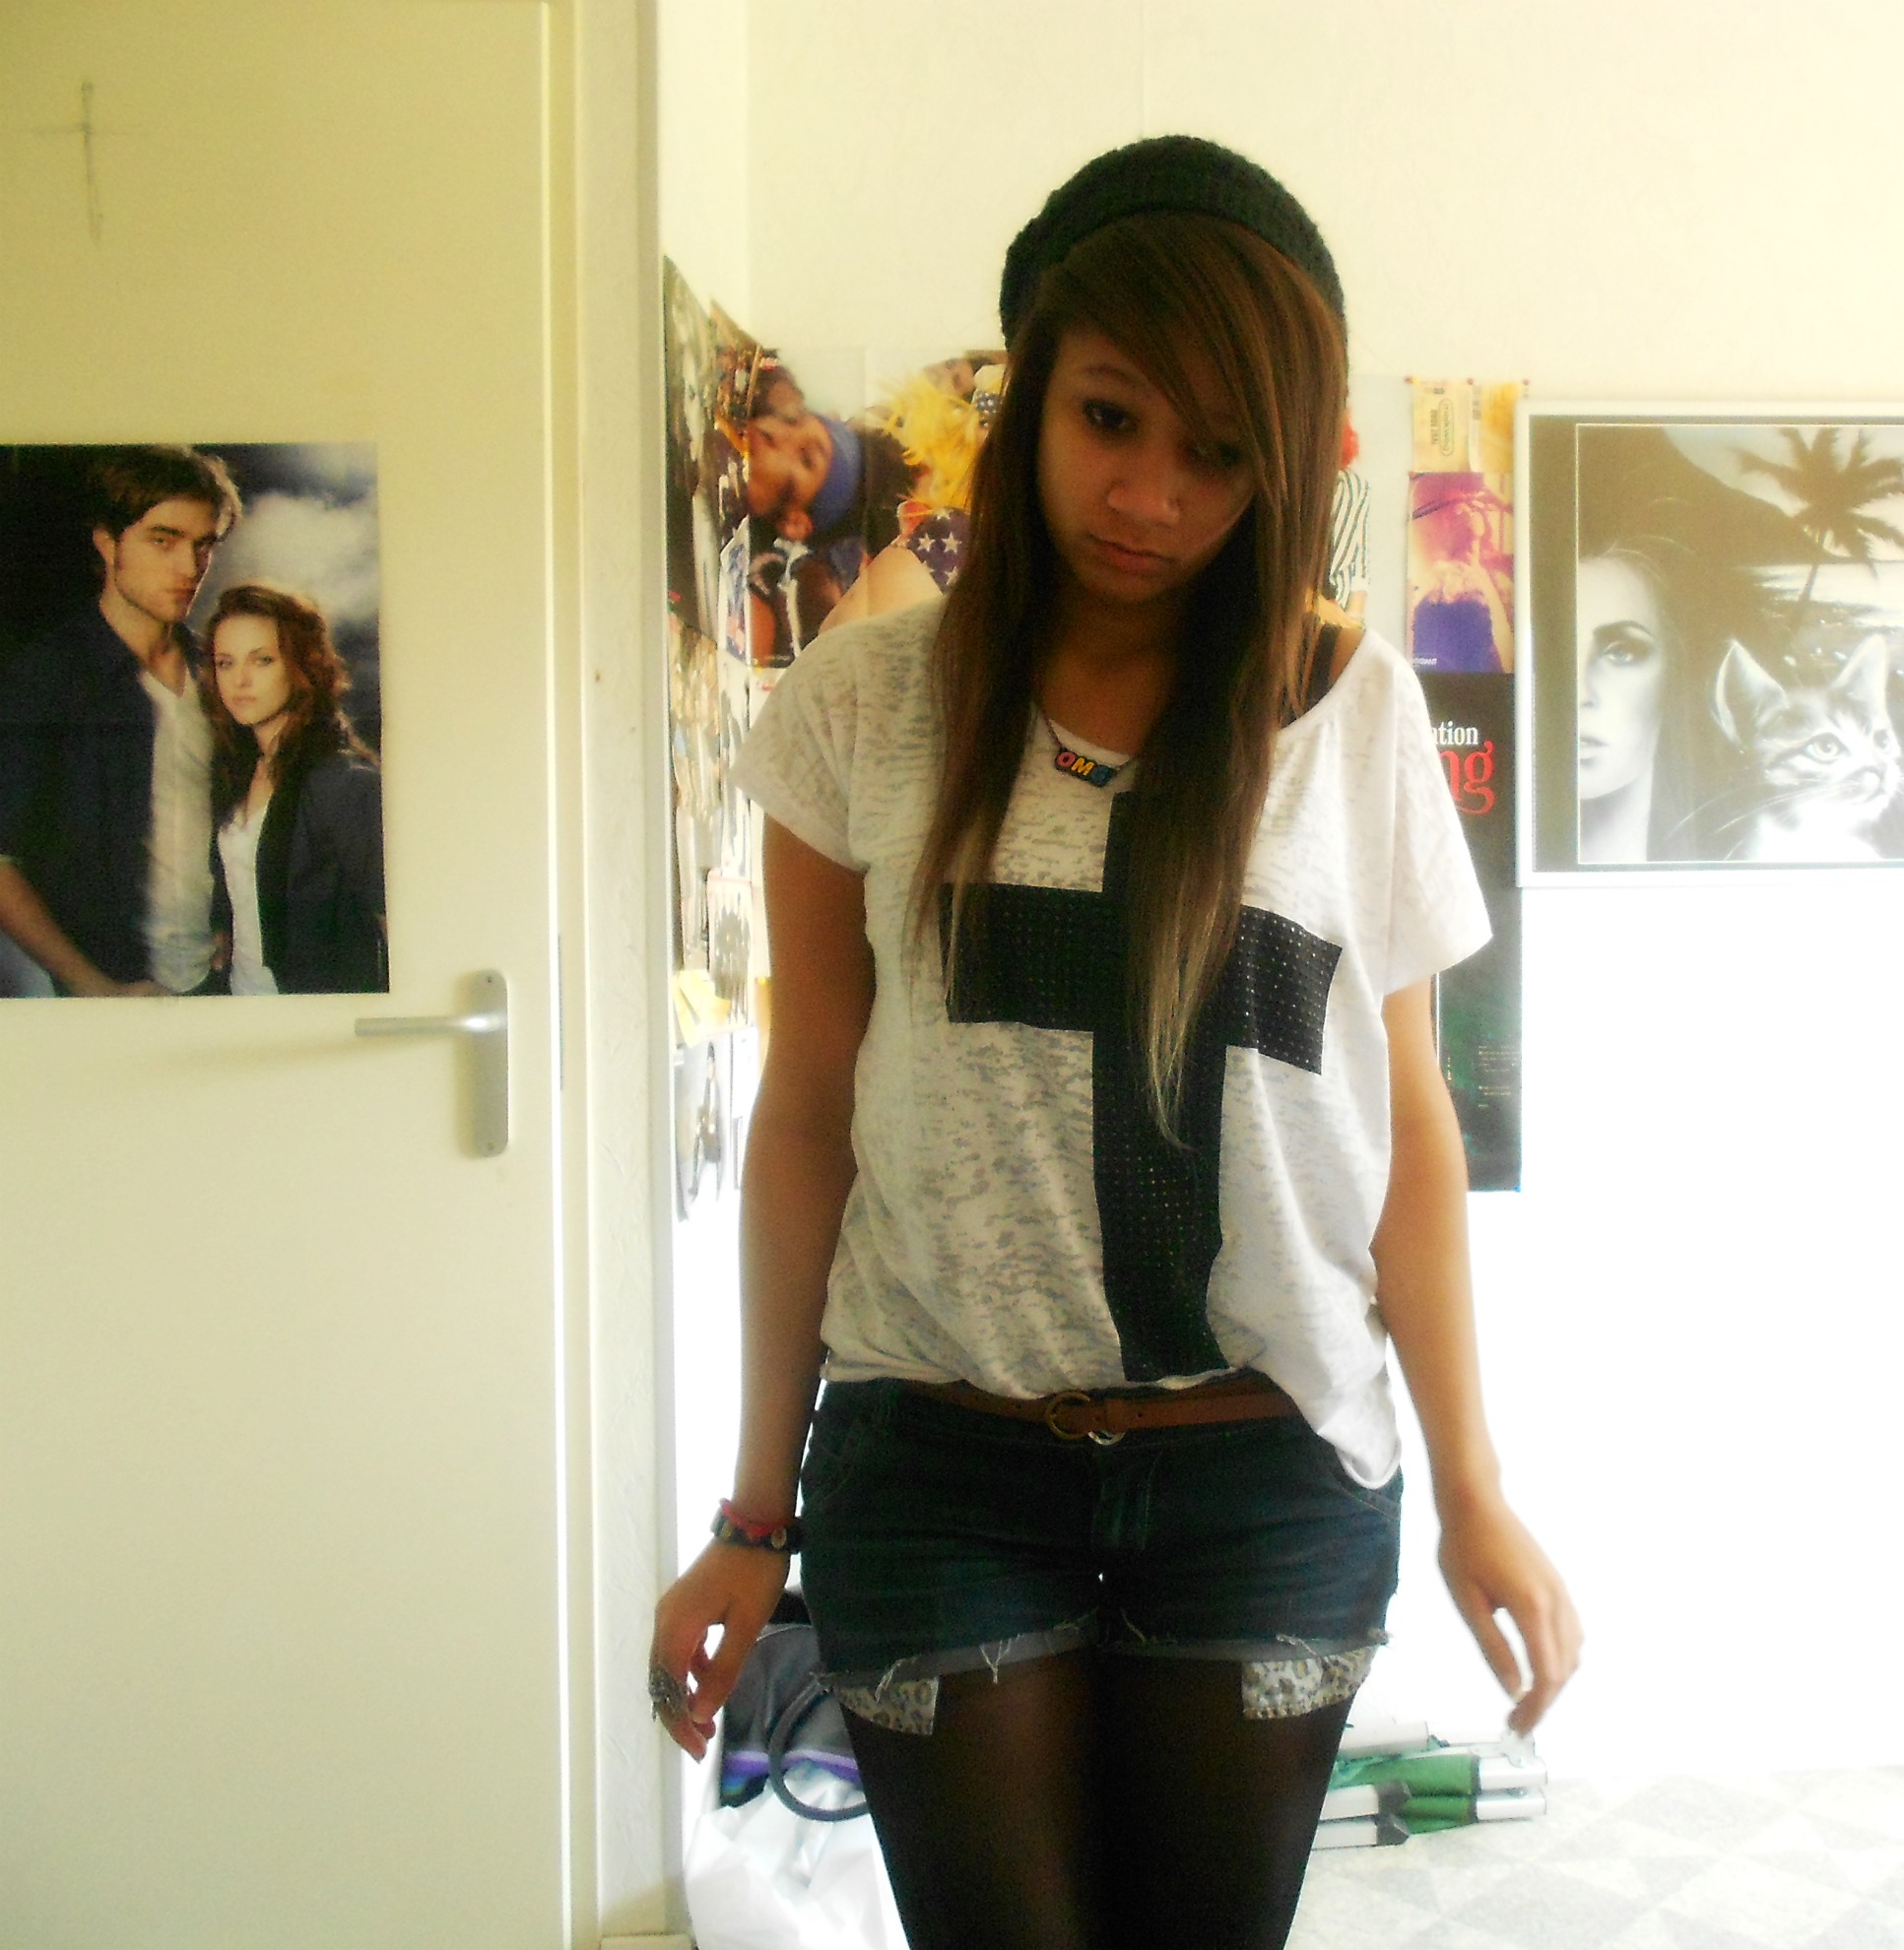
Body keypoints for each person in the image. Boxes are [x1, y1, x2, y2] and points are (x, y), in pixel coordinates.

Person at [651, 136, 1579, 1950]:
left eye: (1216, 453)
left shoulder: (1353, 717)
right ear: (1032, 396)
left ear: (1282, 467)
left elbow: (1406, 1126)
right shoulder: (866, 701)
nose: (1148, 494)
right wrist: (753, 1520)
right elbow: (807, 1115)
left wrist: (1476, 1494)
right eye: (1107, 417)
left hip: (1264, 1470)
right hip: (939, 1458)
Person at [0, 444, 240, 995]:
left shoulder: (219, 671)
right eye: (163, 540)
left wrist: (235, 922)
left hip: (216, 983)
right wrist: (96, 989)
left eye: (203, 545)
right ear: (107, 543)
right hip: (110, 993)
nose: (189, 568)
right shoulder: (45, 676)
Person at [202, 582, 386, 994]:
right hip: (239, 1000)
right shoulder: (238, 768)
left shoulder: (342, 781)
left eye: (262, 660)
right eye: (225, 663)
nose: (240, 680)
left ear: (301, 665)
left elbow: (395, 926)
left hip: (309, 1014)